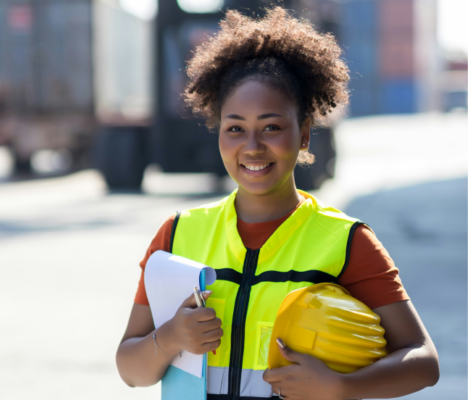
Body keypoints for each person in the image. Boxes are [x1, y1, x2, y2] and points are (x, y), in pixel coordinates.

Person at [116, 7, 439, 400]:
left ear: (303, 134)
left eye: (272, 127)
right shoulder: (177, 235)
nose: (252, 147)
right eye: (235, 128)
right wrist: (168, 339)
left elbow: (423, 361)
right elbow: (131, 371)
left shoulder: (346, 241)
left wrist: (342, 387)